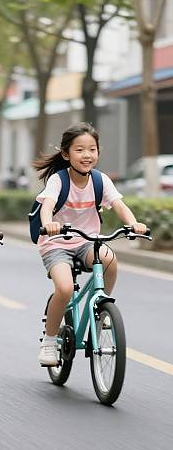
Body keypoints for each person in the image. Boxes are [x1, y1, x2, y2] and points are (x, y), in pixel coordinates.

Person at [34, 122, 147, 367]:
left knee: (110, 259)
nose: (87, 155)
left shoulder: (100, 180)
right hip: (56, 243)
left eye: (92, 149)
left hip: (88, 242)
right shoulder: (58, 180)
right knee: (64, 288)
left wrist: (133, 224)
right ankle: (49, 342)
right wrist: (49, 224)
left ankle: (101, 305)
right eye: (79, 150)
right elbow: (47, 207)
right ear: (66, 154)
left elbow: (118, 205)